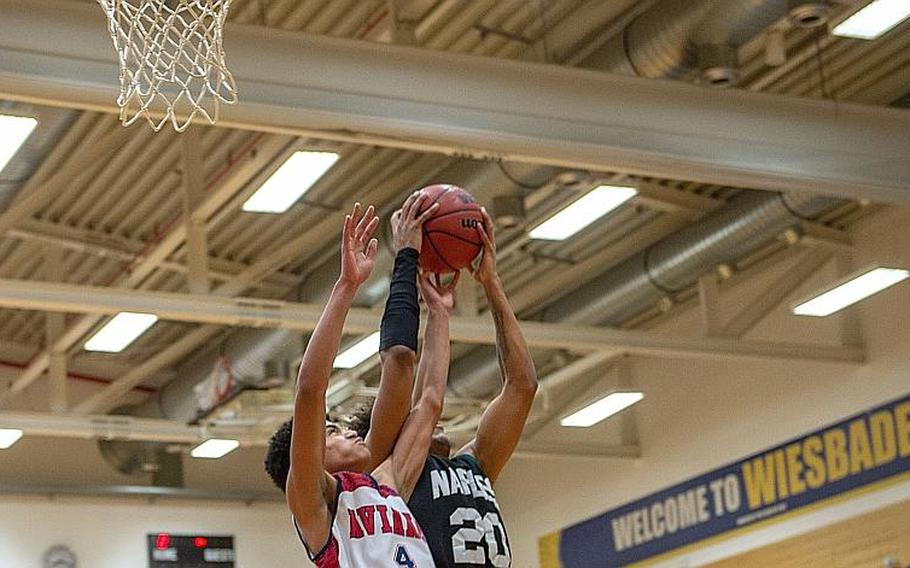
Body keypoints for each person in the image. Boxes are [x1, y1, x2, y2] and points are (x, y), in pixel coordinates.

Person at [264, 196, 456, 567]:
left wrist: (439, 314)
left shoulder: (387, 481)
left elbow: (430, 400)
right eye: (331, 431)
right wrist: (346, 286)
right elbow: (309, 392)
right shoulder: (314, 507)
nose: (348, 432)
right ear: (306, 456)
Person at [347, 207, 538, 568]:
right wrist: (406, 259)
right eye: (413, 419)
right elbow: (420, 392)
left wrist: (491, 284)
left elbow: (522, 386)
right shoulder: (386, 480)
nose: (431, 419)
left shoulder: (475, 465)